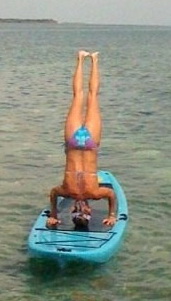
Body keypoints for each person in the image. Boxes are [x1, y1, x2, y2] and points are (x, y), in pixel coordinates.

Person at [46, 50, 117, 229]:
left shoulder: (71, 192)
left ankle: (81, 59)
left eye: (77, 212)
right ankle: (93, 59)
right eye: (83, 212)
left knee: (79, 96)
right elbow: (111, 195)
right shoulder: (93, 193)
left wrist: (54, 214)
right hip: (89, 143)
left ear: (73, 211)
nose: (80, 209)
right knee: (90, 97)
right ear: (89, 211)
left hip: (73, 142)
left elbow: (54, 193)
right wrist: (111, 215)